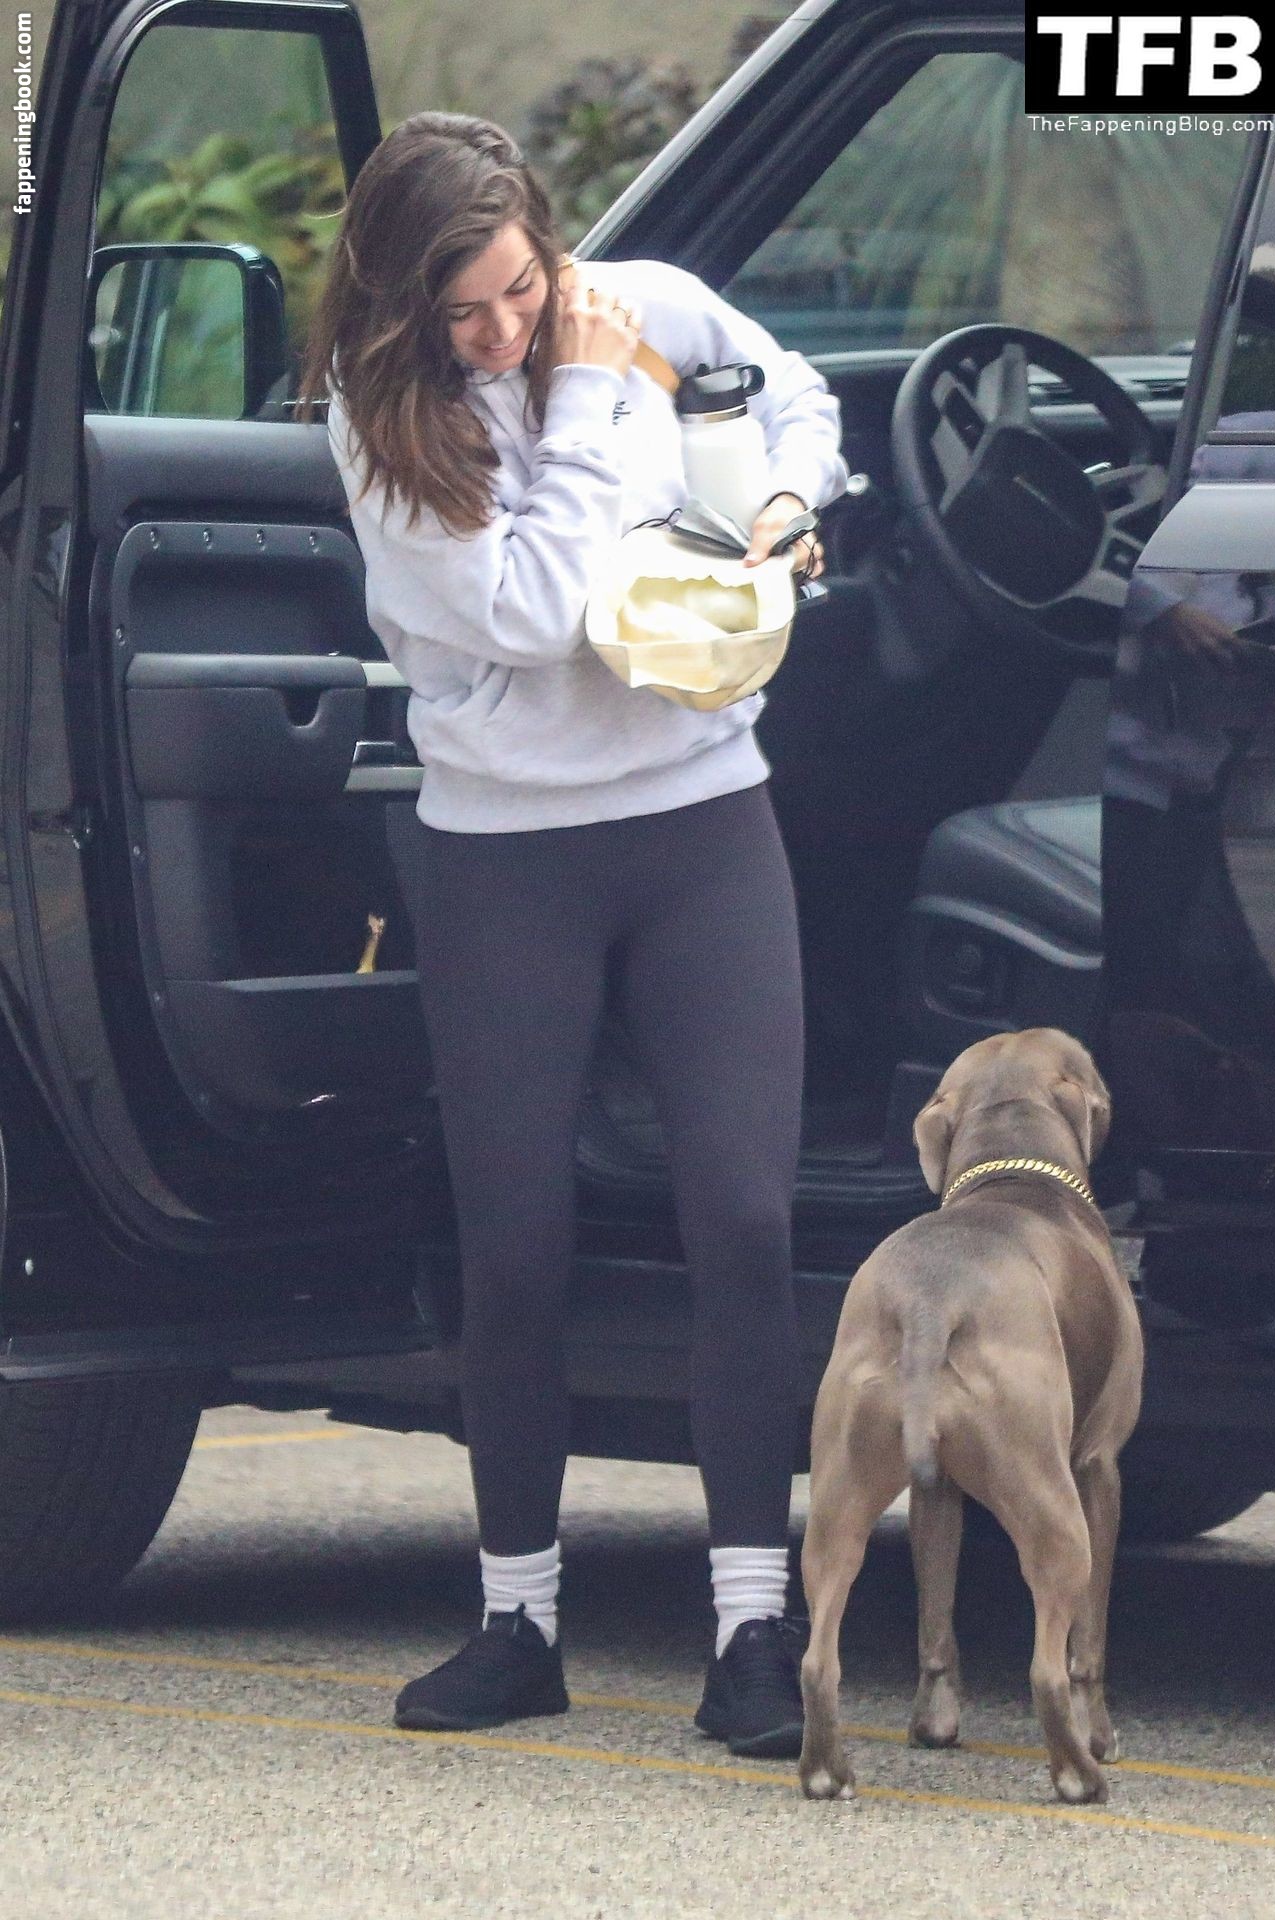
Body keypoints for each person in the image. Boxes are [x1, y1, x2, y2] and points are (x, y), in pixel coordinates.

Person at [298, 111, 848, 1758]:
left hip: (702, 820)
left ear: (548, 243)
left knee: (742, 1220)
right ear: (400, 304)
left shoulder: (646, 302)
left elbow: (798, 401)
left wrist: (780, 508)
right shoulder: (381, 421)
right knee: (518, 1243)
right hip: (506, 856)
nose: (500, 332)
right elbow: (540, 610)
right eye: (461, 311)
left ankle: (753, 1629)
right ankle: (517, 1624)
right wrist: (599, 396)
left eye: (522, 293)